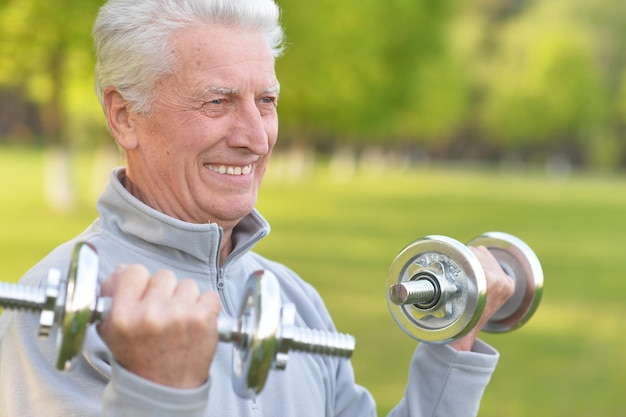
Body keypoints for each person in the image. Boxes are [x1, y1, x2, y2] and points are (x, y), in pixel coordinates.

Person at [0, 0, 515, 415]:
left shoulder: (295, 298)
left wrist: (456, 341)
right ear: (123, 116)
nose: (255, 138)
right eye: (217, 102)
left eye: (265, 102)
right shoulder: (52, 314)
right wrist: (158, 394)